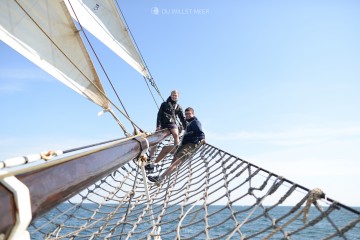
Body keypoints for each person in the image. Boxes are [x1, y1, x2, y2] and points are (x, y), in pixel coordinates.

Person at [148, 107, 205, 184]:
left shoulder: (195, 122)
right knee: (165, 148)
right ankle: (154, 165)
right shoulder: (188, 123)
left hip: (190, 145)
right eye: (186, 114)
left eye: (189, 114)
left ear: (193, 114)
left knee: (175, 162)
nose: (187, 115)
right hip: (183, 145)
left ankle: (160, 178)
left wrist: (202, 139)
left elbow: (200, 132)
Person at [147, 90, 186, 162]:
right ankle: (151, 157)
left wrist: (186, 127)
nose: (174, 96)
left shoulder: (178, 107)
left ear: (178, 97)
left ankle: (176, 149)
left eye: (176, 95)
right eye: (173, 95)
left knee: (175, 133)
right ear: (171, 95)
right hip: (163, 124)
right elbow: (159, 115)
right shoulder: (164, 104)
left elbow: (182, 118)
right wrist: (158, 126)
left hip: (172, 124)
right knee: (157, 139)